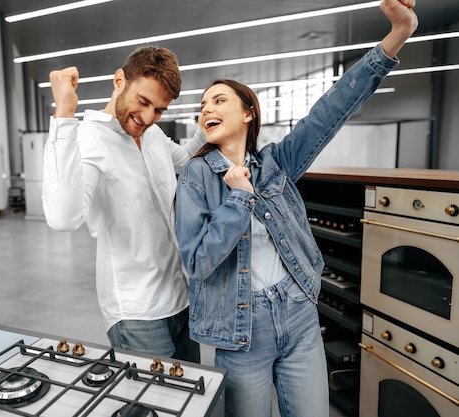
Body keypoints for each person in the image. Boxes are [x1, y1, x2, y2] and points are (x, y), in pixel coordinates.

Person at [173, 0, 418, 416]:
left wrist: (397, 35)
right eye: (202, 107)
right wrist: (237, 199)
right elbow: (197, 261)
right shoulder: (197, 177)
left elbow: (331, 110)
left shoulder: (276, 163)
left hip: (299, 311)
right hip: (242, 328)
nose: (206, 110)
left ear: (248, 113)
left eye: (218, 101)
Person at [42, 47, 203, 362]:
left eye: (158, 110)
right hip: (137, 312)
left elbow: (184, 160)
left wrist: (208, 126)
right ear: (119, 81)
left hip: (182, 298)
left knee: (190, 401)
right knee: (157, 406)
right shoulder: (90, 139)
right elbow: (63, 217)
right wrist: (64, 115)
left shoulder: (152, 134)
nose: (147, 117)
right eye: (143, 102)